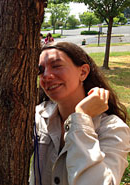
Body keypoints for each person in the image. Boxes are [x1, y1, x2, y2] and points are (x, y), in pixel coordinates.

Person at [30, 42, 130, 185]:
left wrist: (81, 118)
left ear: (83, 72)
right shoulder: (38, 115)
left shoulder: (113, 129)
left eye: (56, 66)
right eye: (41, 71)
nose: (46, 76)